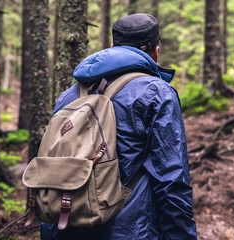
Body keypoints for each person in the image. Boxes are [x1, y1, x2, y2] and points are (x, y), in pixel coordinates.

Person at [40, 13, 197, 240]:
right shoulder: (157, 93)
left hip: (65, 224)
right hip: (130, 231)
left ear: (113, 46)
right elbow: (171, 180)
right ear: (155, 51)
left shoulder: (70, 94)